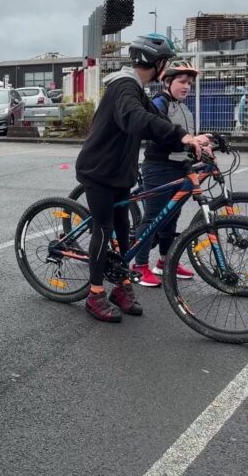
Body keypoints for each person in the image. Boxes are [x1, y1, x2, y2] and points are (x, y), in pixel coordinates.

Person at [74, 34, 212, 324]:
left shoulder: (136, 90)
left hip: (119, 172)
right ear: (158, 63)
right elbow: (135, 118)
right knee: (104, 227)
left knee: (124, 231)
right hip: (98, 170)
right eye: (166, 63)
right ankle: (95, 294)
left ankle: (122, 287)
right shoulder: (124, 86)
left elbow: (158, 123)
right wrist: (182, 135)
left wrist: (191, 142)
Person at [131, 60, 202, 287]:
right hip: (158, 167)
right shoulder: (159, 103)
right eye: (182, 81)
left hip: (179, 167)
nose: (187, 86)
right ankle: (140, 267)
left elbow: (186, 136)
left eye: (190, 83)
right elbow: (160, 133)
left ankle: (164, 262)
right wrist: (186, 144)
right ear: (167, 82)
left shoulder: (183, 106)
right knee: (153, 218)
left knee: (170, 218)